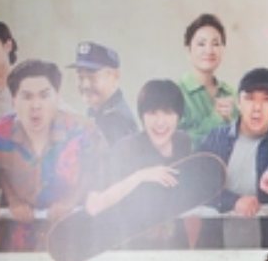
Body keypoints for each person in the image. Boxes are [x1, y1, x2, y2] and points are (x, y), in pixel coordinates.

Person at [0, 59, 104, 251]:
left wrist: (71, 199)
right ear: (14, 100)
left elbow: (96, 171)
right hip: (17, 240)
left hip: (70, 236)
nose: (36, 105)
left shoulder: (83, 131)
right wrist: (13, 199)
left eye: (44, 95)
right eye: (27, 96)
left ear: (57, 97)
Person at [85, 78, 201, 249]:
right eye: (152, 113)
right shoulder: (126, 149)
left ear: (178, 116)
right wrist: (141, 176)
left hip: (174, 245)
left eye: (168, 112)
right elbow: (94, 205)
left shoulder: (183, 142)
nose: (160, 122)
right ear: (142, 116)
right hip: (133, 247)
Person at [198, 67, 268, 248]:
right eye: (249, 98)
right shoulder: (216, 138)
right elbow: (199, 183)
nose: (257, 108)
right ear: (238, 102)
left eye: (267, 100)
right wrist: (233, 202)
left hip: (266, 247)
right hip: (216, 245)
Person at [178, 13, 236, 144]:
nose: (209, 50)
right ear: (188, 50)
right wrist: (216, 119)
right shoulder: (176, 93)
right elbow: (174, 145)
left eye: (216, 44)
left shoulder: (231, 93)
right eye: (201, 44)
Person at [68, 40, 138, 146]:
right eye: (81, 77)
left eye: (92, 77)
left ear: (115, 76)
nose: (85, 85)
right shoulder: (97, 112)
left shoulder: (115, 122)